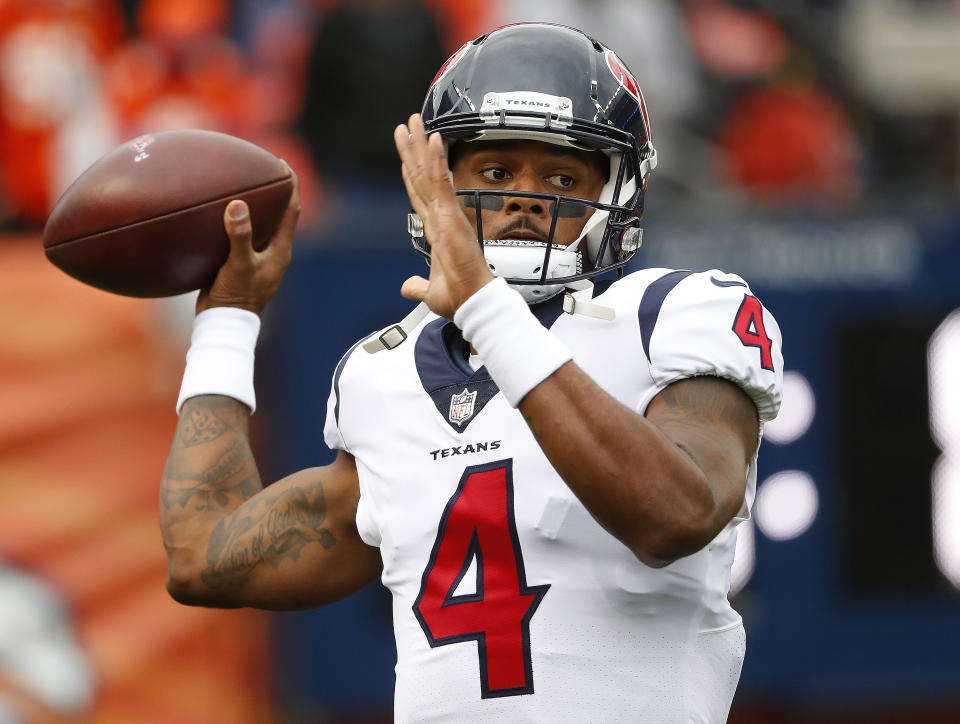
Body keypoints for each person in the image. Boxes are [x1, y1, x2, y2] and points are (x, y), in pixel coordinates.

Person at [159, 23, 783, 723]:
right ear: (436, 182)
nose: (523, 196)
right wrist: (227, 322)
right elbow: (203, 556)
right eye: (493, 172)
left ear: (620, 190)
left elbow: (676, 515)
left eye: (561, 176)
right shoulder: (383, 374)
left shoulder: (673, 314)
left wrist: (486, 305)